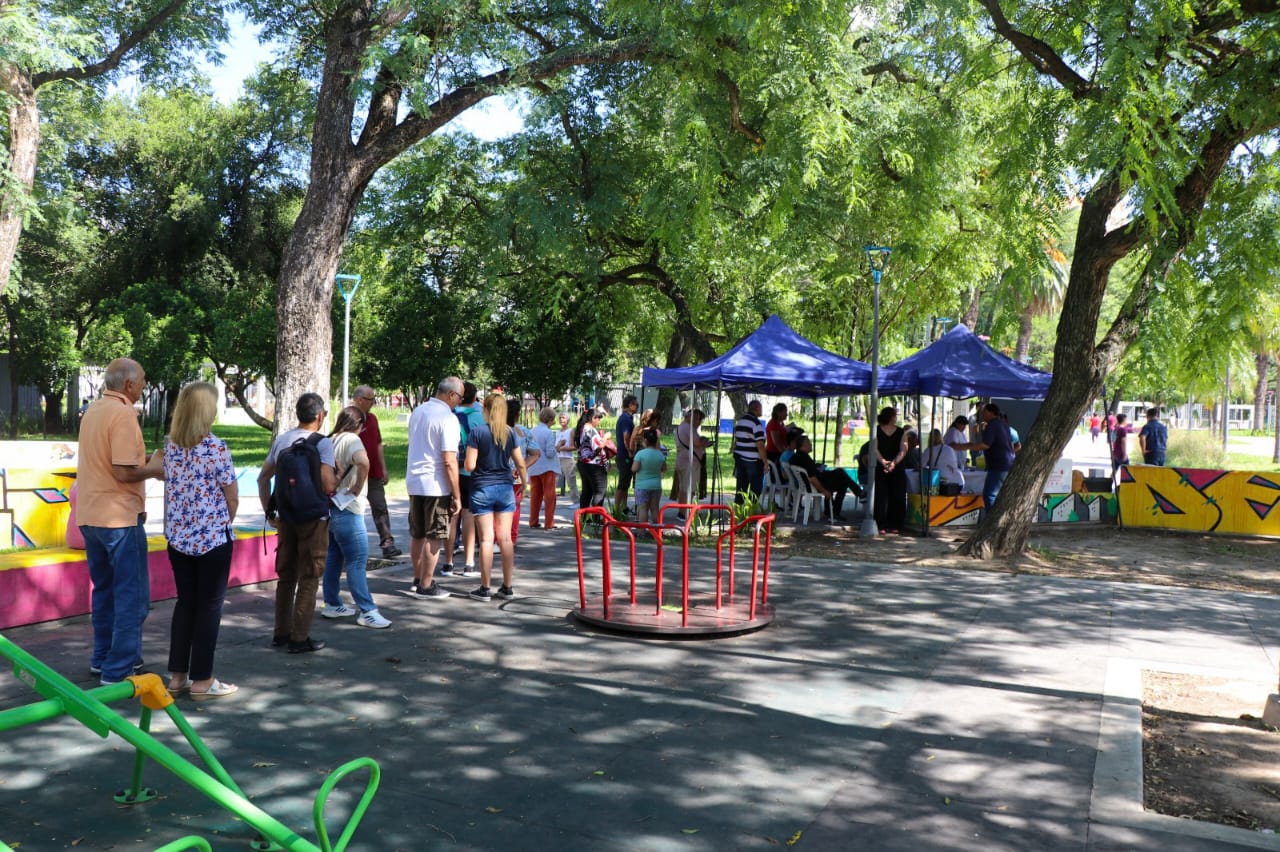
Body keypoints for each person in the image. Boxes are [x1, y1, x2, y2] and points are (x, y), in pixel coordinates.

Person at [78, 358, 164, 685]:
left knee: (105, 592)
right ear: (128, 385)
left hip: (90, 515)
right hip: (119, 518)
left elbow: (108, 461)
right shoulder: (124, 413)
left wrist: (144, 464)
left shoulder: (94, 411)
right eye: (142, 380)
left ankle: (103, 658)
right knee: (132, 597)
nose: (143, 384)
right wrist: (155, 468)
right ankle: (118, 670)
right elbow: (123, 471)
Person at [159, 382, 239, 698]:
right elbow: (231, 496)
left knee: (185, 604)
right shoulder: (216, 448)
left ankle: (177, 676)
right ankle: (203, 679)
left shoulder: (170, 448)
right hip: (212, 540)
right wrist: (222, 522)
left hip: (179, 539)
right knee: (209, 608)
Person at [257, 392, 337, 654]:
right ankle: (299, 638)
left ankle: (281, 633)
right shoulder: (323, 444)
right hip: (314, 518)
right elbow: (327, 484)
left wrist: (269, 510)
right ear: (320, 416)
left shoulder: (283, 440)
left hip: (286, 517)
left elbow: (263, 478)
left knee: (286, 575)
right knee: (310, 575)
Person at [321, 406, 392, 629]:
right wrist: (360, 485)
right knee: (357, 560)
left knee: (334, 557)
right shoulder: (353, 440)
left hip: (331, 508)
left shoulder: (330, 439)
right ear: (358, 425)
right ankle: (367, 610)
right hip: (349, 510)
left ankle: (332, 603)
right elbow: (364, 462)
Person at [403, 377, 463, 599]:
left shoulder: (419, 411)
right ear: (450, 395)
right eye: (459, 397)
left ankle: (418, 578)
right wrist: (457, 494)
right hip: (436, 484)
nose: (459, 402)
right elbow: (449, 459)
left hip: (414, 479)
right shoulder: (447, 418)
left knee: (417, 533)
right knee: (434, 535)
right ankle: (426, 586)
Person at [465, 394, 528, 602]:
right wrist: (525, 482)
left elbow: (470, 466)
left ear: (486, 409)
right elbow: (519, 463)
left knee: (486, 539)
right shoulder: (510, 433)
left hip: (482, 488)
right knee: (506, 539)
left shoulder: (477, 432)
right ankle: (508, 586)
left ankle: (485, 588)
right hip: (505, 489)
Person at [352, 385, 399, 559]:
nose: (373, 403)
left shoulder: (372, 418)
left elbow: (378, 443)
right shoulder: (349, 419)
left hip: (374, 473)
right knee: (353, 510)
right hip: (354, 474)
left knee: (380, 506)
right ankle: (351, 548)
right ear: (359, 400)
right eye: (370, 399)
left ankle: (387, 542)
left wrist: (383, 467)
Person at [446, 382, 485, 577]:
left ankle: (448, 562)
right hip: (472, 472)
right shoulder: (479, 417)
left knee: (453, 515)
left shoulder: (449, 415)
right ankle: (469, 563)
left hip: (451, 470)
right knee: (469, 515)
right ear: (474, 396)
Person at [955, 403, 1016, 510]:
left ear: (991, 413)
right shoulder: (1004, 425)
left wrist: (964, 447)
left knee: (989, 495)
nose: (982, 414)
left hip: (998, 465)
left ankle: (991, 521)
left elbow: (985, 445)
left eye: (984, 412)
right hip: (1007, 464)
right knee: (999, 495)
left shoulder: (992, 425)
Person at [790, 435, 863, 518]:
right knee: (842, 479)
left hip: (813, 482)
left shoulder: (796, 457)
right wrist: (824, 491)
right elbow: (812, 478)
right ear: (803, 445)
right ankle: (857, 494)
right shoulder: (805, 459)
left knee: (840, 475)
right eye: (809, 443)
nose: (811, 445)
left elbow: (809, 470)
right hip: (816, 484)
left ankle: (830, 511)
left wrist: (816, 466)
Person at [873, 406, 908, 533]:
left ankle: (883, 524)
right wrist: (892, 463)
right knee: (892, 496)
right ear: (891, 417)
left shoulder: (877, 431)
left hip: (884, 467)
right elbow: (903, 450)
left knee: (884, 496)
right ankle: (894, 525)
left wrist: (884, 461)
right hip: (894, 468)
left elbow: (874, 448)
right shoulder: (900, 432)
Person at [507, 397, 536, 545]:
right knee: (515, 507)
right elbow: (536, 453)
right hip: (518, 476)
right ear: (518, 414)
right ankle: (512, 538)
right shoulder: (523, 432)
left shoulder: (497, 430)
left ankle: (496, 538)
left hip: (499, 475)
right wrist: (522, 466)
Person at [527, 406, 560, 529]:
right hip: (547, 467)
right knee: (549, 496)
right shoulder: (548, 432)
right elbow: (550, 453)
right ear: (550, 419)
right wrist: (558, 448)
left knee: (535, 496)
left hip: (533, 466)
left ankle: (533, 521)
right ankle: (549, 523)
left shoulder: (532, 430)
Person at [671, 409, 711, 505]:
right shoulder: (688, 428)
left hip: (685, 461)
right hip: (689, 462)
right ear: (690, 417)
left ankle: (683, 511)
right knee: (688, 489)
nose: (698, 421)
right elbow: (697, 443)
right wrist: (704, 441)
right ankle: (684, 512)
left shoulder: (682, 427)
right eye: (697, 418)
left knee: (683, 488)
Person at [732, 400, 767, 505]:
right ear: (756, 409)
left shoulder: (740, 421)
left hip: (740, 458)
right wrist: (765, 462)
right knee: (755, 489)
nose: (762, 410)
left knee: (741, 487)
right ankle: (750, 511)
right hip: (753, 460)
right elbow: (760, 444)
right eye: (760, 408)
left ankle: (738, 512)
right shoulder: (755, 423)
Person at [575, 409, 610, 508]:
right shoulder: (591, 430)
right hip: (595, 465)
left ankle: (583, 518)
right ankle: (596, 519)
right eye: (598, 419)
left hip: (583, 463)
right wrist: (606, 437)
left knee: (586, 491)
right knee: (599, 491)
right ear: (593, 418)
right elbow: (598, 447)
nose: (599, 422)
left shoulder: (581, 428)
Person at [631, 430, 667, 523]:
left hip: (642, 486)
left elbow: (634, 469)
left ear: (645, 441)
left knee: (643, 508)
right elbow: (664, 468)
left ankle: (642, 532)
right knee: (655, 508)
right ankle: (656, 531)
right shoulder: (660, 454)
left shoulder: (640, 454)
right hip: (656, 486)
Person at [612, 394, 639, 514]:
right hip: (625, 455)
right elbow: (626, 437)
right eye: (635, 404)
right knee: (623, 484)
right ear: (630, 405)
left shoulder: (626, 418)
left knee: (626, 483)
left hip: (623, 454)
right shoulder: (626, 419)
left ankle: (624, 507)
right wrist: (630, 450)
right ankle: (616, 509)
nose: (637, 407)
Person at [554, 413, 578, 499]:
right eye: (560, 418)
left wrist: (563, 448)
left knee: (571, 481)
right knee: (553, 481)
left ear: (568, 420)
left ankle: (576, 501)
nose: (561, 419)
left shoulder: (571, 431)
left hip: (567, 459)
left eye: (563, 418)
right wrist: (558, 447)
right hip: (557, 459)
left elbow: (574, 447)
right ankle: (549, 501)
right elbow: (556, 447)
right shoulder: (557, 432)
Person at [1111, 413, 1132, 478]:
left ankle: (1109, 484)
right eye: (1126, 419)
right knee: (1127, 472)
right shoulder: (1123, 430)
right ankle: (1126, 486)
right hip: (1121, 453)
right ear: (1124, 420)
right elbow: (1123, 442)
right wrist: (1125, 454)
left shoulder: (1115, 429)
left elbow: (1113, 440)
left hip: (1115, 453)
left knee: (1114, 471)